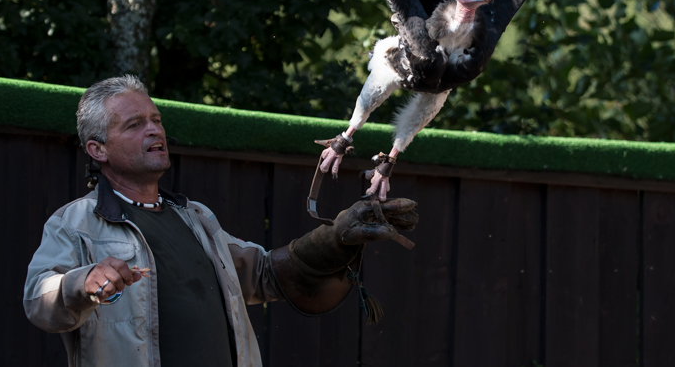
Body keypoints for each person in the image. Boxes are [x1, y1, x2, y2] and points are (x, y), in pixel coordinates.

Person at [23, 75, 417, 366]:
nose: (154, 129)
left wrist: (337, 239)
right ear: (98, 149)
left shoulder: (195, 217)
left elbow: (264, 273)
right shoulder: (75, 223)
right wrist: (81, 282)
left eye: (156, 119)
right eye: (134, 124)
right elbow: (39, 300)